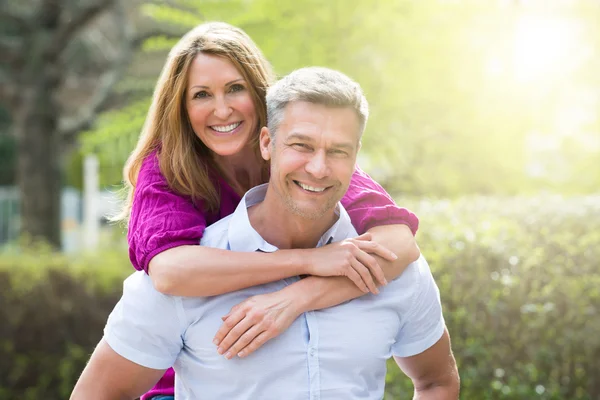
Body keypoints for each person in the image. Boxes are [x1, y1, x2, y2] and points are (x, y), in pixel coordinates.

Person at [71, 67, 459, 400]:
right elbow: (99, 393)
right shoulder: (186, 278)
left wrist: (297, 297)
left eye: (338, 152)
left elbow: (436, 381)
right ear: (267, 144)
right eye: (301, 146)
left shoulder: (393, 265)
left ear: (356, 156)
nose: (319, 168)